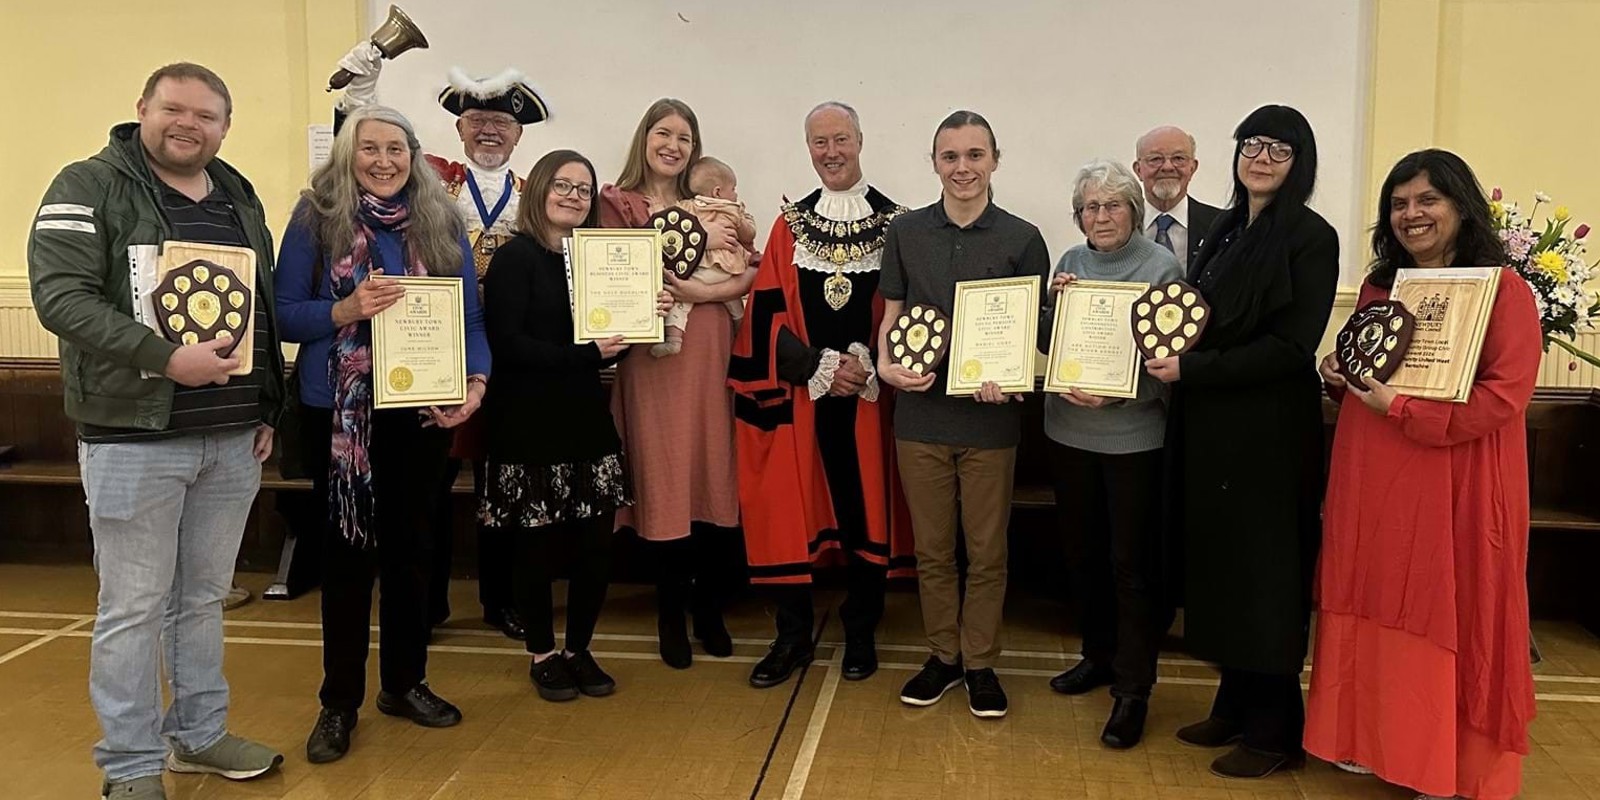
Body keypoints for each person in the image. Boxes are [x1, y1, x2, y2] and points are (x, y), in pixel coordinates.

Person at [29, 63, 286, 800]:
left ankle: (199, 737)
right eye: (174, 108)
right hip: (132, 440)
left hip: (232, 439)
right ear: (142, 108)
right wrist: (166, 358)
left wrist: (266, 405)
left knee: (203, 600)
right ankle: (133, 769)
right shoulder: (86, 185)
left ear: (224, 127)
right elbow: (59, 299)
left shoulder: (237, 193)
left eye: (206, 115)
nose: (189, 124)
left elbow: (257, 308)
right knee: (133, 610)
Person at [1306, 149, 1539, 800]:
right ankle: (1366, 738)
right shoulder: (1383, 287)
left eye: (1427, 200)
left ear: (1462, 207)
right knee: (1369, 591)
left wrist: (1405, 408)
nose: (1412, 214)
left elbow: (1504, 398)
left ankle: (1440, 759)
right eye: (1400, 203)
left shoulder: (1503, 289)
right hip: (1372, 470)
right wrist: (1337, 372)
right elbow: (1367, 370)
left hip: (1455, 479)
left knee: (1442, 603)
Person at [275, 104, 491, 764]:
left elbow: (471, 324)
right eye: (370, 148)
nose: (384, 160)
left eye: (396, 148)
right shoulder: (317, 216)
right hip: (339, 416)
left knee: (412, 558)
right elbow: (284, 314)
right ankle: (338, 703)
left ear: (414, 153)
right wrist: (346, 308)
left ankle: (404, 683)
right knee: (346, 562)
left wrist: (475, 384)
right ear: (348, 154)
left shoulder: (442, 219)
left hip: (420, 414)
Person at [1144, 105, 1339, 778]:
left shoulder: (1310, 238)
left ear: (1300, 163)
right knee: (1221, 570)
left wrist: (1192, 368)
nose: (1260, 157)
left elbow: (1290, 349)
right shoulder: (1226, 230)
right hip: (1210, 430)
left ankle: (1274, 731)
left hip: (1268, 439)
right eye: (1251, 144)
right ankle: (1233, 702)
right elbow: (1191, 321)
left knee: (1265, 579)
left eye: (1278, 150)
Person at [333, 43, 550, 640]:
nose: (489, 131)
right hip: (433, 352)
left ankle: (500, 600)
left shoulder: (536, 194)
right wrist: (359, 94)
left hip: (513, 359)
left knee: (503, 484)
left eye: (501, 122)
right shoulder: (428, 184)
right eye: (477, 121)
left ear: (517, 135)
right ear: (458, 128)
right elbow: (363, 156)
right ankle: (424, 603)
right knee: (426, 489)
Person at [730, 101, 914, 689]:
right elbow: (763, 318)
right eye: (819, 143)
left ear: (861, 139)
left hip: (870, 399)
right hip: (802, 398)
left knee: (864, 512)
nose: (831, 152)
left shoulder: (898, 224)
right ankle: (791, 636)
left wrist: (871, 363)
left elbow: (911, 308)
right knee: (792, 509)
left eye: (840, 139)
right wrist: (818, 366)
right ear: (808, 148)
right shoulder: (788, 225)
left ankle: (861, 630)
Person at [877, 110, 1051, 719]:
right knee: (932, 550)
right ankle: (942, 657)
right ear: (934, 164)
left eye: (975, 155)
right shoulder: (905, 231)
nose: (963, 168)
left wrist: (1011, 378)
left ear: (995, 161)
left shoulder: (1024, 237)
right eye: (950, 157)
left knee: (986, 551)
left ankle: (980, 664)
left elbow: (1030, 328)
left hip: (991, 421)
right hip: (920, 417)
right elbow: (893, 313)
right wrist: (885, 367)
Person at [478, 149, 668, 702]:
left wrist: (641, 314)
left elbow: (607, 344)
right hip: (528, 423)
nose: (573, 196)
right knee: (534, 549)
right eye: (562, 185)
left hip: (585, 418)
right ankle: (542, 653)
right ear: (538, 190)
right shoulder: (517, 257)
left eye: (584, 190)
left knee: (594, 548)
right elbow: (510, 346)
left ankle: (579, 649)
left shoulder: (594, 259)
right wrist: (588, 353)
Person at [599, 99, 752, 668]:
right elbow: (603, 278)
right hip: (654, 359)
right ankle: (670, 612)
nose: (673, 145)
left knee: (712, 469)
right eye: (663, 133)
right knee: (664, 476)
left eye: (685, 138)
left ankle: (708, 607)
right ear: (644, 138)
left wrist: (703, 293)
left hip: (712, 353)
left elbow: (756, 268)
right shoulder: (616, 204)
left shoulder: (713, 203)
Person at [1041, 159, 1182, 749]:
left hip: (1132, 441)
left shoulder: (1162, 267)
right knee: (1083, 557)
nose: (1101, 216)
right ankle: (1096, 656)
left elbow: (1168, 366)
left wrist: (1121, 393)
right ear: (1079, 216)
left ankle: (1133, 690)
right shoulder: (1070, 263)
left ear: (1135, 210)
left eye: (1113, 205)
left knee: (1131, 567)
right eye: (1090, 207)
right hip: (1067, 433)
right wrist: (1051, 312)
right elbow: (1051, 346)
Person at [655, 157, 756, 357]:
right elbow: (749, 235)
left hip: (700, 269)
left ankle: (674, 339)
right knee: (736, 306)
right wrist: (742, 220)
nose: (735, 194)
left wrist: (656, 208)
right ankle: (742, 340)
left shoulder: (686, 206)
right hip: (726, 271)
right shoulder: (732, 210)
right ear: (718, 191)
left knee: (680, 302)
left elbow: (669, 227)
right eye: (733, 188)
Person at [1132, 125, 1223, 271]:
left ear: (1192, 168)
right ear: (1138, 170)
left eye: (1178, 158)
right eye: (1155, 159)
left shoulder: (1222, 226)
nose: (1167, 167)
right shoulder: (1121, 224)